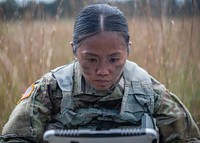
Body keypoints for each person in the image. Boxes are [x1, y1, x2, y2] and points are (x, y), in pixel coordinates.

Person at [1, 3, 200, 143]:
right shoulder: (50, 89)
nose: (103, 71)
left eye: (114, 59)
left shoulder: (149, 91)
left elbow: (187, 139)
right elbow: (15, 138)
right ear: (74, 50)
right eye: (91, 59)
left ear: (128, 50)